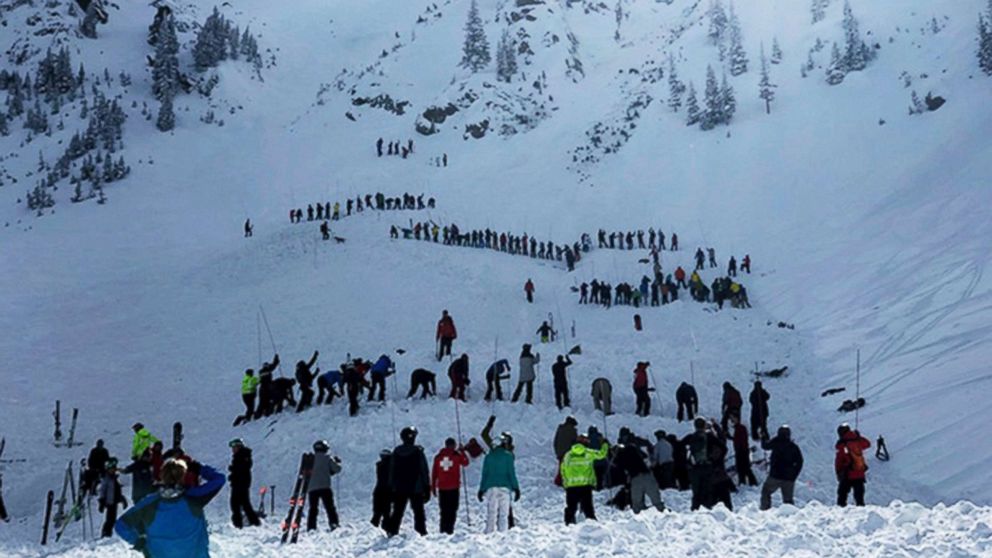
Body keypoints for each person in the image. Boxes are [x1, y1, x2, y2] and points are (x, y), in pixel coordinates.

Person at [116, 458, 225, 555]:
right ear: (183, 476)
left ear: (162, 476)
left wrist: (137, 541)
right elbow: (220, 479)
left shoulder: (149, 504)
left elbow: (121, 525)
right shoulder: (195, 497)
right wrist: (199, 468)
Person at [385, 427, 430, 536]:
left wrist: (390, 487)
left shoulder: (396, 451)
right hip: (416, 487)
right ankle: (421, 531)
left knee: (397, 511)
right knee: (418, 511)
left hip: (400, 487)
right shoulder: (418, 451)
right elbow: (424, 470)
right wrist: (427, 487)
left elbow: (392, 471)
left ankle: (392, 530)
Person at [683, 418, 732, 511]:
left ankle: (695, 511)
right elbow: (723, 448)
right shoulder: (709, 436)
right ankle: (707, 511)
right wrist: (716, 460)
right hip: (708, 467)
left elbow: (680, 446)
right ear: (704, 425)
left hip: (695, 469)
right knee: (707, 490)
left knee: (696, 493)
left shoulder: (691, 437)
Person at [560, 435, 609, 524]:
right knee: (588, 508)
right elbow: (602, 454)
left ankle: (568, 525)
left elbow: (563, 469)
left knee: (571, 507)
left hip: (571, 486)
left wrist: (565, 482)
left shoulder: (568, 455)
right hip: (585, 486)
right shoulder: (588, 453)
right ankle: (592, 525)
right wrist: (605, 444)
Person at [479, 433, 520, 533]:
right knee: (503, 514)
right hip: (505, 487)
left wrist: (481, 489)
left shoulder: (488, 457)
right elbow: (511, 473)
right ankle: (503, 533)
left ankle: (489, 532)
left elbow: (485, 474)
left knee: (491, 512)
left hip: (491, 487)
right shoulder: (508, 456)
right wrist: (516, 488)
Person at [615, 431, 664, 514]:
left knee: (637, 505)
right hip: (648, 475)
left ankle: (640, 520)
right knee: (656, 501)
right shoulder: (636, 447)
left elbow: (619, 467)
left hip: (636, 478)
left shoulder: (622, 454)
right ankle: (663, 515)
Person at [760, 425, 804, 510]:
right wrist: (794, 475)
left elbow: (765, 446)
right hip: (789, 478)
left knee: (766, 491)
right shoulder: (793, 447)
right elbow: (800, 462)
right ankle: (790, 516)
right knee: (788, 500)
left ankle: (765, 510)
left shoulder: (776, 442)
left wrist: (763, 437)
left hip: (775, 476)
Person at [431, 438, 469, 534]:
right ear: (454, 445)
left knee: (443, 510)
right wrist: (463, 452)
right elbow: (465, 462)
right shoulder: (456, 456)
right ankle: (449, 529)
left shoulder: (438, 457)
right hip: (454, 487)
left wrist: (433, 487)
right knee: (452, 509)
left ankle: (443, 529)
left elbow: (434, 473)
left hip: (442, 488)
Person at [307, 440, 341, 532]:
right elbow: (337, 469)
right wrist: (337, 462)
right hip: (325, 487)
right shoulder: (327, 458)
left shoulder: (310, 459)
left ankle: (311, 527)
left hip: (312, 488)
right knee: (330, 507)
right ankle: (334, 523)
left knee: (313, 509)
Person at [834, 424, 871, 507]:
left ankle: (841, 510)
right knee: (859, 496)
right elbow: (867, 444)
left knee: (842, 494)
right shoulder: (857, 441)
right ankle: (861, 510)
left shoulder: (842, 444)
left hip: (847, 474)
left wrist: (838, 472)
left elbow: (839, 460)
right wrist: (859, 436)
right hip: (859, 472)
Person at [227, 439, 261, 528]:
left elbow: (242, 470)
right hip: (239, 484)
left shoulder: (242, 456)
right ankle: (254, 522)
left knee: (236, 504)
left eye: (234, 447)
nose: (233, 450)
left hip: (240, 484)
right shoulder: (240, 456)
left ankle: (238, 524)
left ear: (238, 447)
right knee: (244, 504)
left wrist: (233, 472)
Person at [98, 458, 128, 537]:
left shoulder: (114, 478)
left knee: (112, 519)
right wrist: (101, 501)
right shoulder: (106, 478)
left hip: (114, 501)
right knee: (110, 519)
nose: (113, 470)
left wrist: (122, 499)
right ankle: (105, 533)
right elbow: (102, 490)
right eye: (111, 469)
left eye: (114, 469)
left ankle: (108, 533)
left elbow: (117, 491)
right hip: (109, 501)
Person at [731, 417, 758, 487]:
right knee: (743, 468)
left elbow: (741, 441)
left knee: (744, 468)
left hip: (742, 451)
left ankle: (750, 483)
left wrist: (740, 448)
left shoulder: (740, 428)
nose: (732, 420)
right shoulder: (738, 428)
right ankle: (744, 482)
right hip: (741, 450)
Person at [371, 450, 393, 528]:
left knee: (377, 511)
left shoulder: (379, 465)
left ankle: (373, 526)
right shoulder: (392, 465)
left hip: (378, 490)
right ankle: (386, 527)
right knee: (387, 512)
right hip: (388, 491)